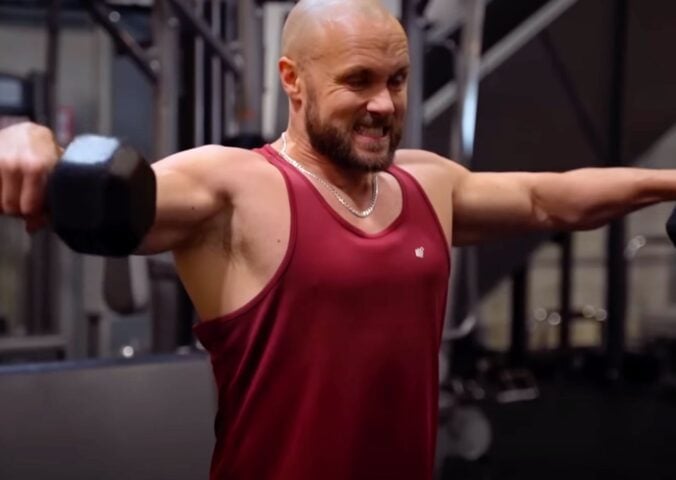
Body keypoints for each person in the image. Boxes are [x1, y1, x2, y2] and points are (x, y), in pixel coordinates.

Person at [0, 0, 674, 478]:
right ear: (294, 80)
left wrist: (670, 180)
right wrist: (26, 139)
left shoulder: (425, 183)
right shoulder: (228, 185)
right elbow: (96, 192)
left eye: (397, 80)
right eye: (358, 81)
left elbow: (548, 199)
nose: (384, 103)